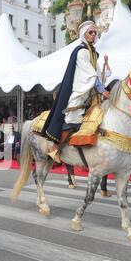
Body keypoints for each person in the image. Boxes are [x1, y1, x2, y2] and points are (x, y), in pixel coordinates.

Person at [42, 21, 110, 164]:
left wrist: (105, 79)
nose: (93, 35)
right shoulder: (81, 51)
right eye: (90, 32)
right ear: (83, 34)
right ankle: (55, 147)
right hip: (78, 92)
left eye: (94, 32)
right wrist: (101, 89)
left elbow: (97, 72)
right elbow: (90, 73)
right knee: (73, 120)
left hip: (90, 93)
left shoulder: (92, 52)